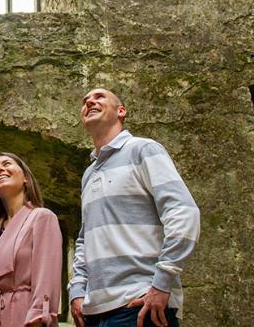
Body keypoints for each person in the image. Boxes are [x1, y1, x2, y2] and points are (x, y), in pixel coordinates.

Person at [69, 89, 200, 327]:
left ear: (121, 111)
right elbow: (85, 238)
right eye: (85, 100)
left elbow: (183, 213)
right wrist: (77, 288)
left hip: (140, 306)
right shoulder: (89, 173)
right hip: (96, 312)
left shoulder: (143, 150)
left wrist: (162, 282)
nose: (89, 101)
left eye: (99, 97)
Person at [0, 152, 62, 327]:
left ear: (25, 178)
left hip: (24, 317)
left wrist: (38, 318)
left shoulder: (42, 218)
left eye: (7, 164)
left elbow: (47, 279)